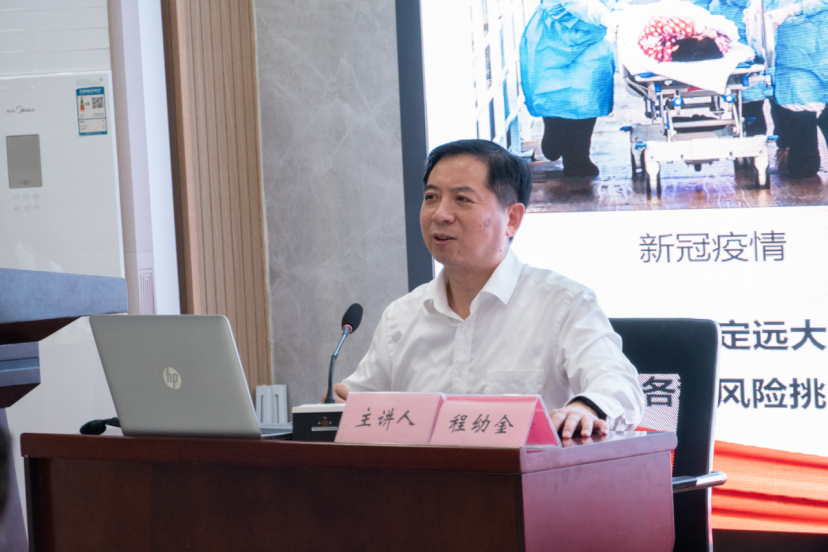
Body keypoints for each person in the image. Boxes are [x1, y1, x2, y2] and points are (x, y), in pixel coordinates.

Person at [334, 140, 645, 439]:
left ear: (512, 219)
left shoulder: (564, 304)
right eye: (431, 197)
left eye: (462, 199)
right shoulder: (400, 317)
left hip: (529, 475)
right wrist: (334, 410)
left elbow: (619, 383)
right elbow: (354, 403)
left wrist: (584, 407)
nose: (440, 214)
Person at [519, 0, 624, 178]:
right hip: (554, 33)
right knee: (552, 88)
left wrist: (618, 9)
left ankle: (577, 157)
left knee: (588, 95)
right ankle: (554, 131)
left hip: (591, 33)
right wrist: (606, 16)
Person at [765, 0, 828, 178]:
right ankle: (805, 164)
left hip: (820, 44)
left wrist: (794, 10)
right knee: (799, 111)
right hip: (792, 54)